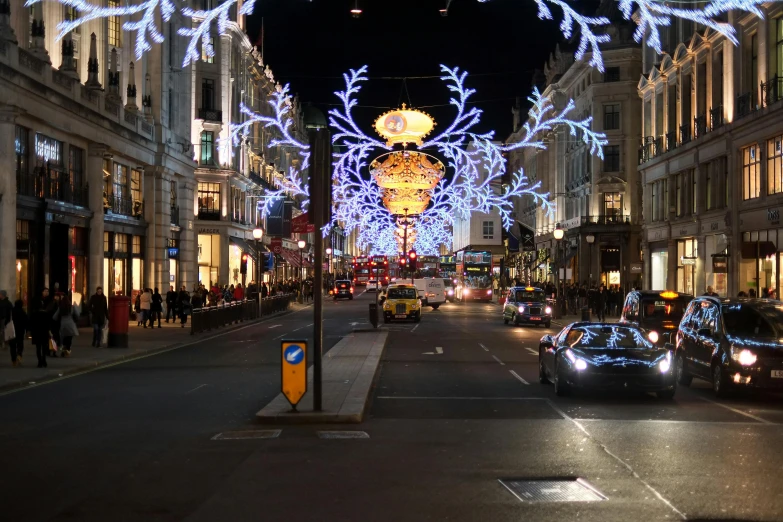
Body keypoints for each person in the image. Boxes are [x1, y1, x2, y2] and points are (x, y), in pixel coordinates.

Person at [53, 292, 79, 357]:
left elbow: (54, 317)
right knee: (69, 338)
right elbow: (77, 315)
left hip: (63, 324)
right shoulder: (72, 307)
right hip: (71, 324)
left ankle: (64, 349)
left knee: (64, 338)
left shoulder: (60, 308)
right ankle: (67, 349)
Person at [30, 300, 51, 368]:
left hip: (36, 333)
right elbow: (49, 324)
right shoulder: (46, 314)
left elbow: (31, 324)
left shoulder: (34, 314)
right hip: (44, 332)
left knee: (38, 348)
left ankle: (39, 362)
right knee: (44, 347)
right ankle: (44, 360)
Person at [9, 299, 27, 366]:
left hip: (12, 330)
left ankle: (13, 360)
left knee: (12, 346)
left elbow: (7, 320)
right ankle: (19, 355)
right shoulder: (22, 312)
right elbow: (26, 321)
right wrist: (26, 329)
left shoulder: (11, 311)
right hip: (20, 330)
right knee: (20, 344)